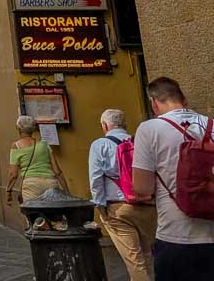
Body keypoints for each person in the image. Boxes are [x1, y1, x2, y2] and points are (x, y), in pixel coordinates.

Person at [131, 77, 214, 280]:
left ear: (154, 102)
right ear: (184, 99)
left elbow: (142, 187)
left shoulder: (149, 129)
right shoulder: (212, 125)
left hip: (176, 236)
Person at [89, 108, 156, 281]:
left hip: (118, 208)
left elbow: (96, 179)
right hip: (146, 205)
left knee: (134, 260)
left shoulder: (100, 145)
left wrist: (100, 205)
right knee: (147, 255)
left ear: (105, 125)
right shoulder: (140, 142)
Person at [5, 115, 64, 204]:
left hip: (31, 186)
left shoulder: (16, 146)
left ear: (19, 129)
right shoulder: (44, 144)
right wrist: (67, 191)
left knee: (33, 215)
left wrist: (9, 191)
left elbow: (13, 174)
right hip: (50, 183)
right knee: (53, 215)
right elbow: (58, 171)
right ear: (33, 129)